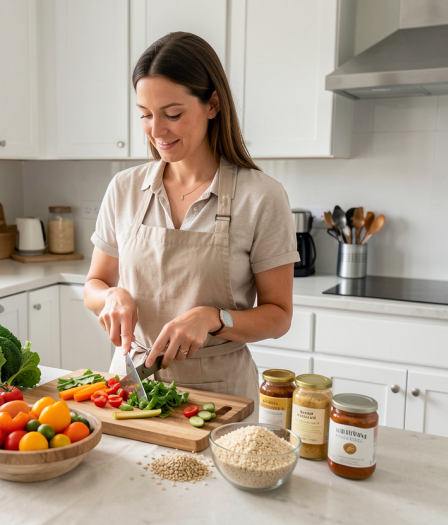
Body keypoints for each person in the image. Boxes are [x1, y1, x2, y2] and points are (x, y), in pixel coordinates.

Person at [84, 32, 299, 420]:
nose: (156, 131)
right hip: (130, 386)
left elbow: (279, 316)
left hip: (219, 396)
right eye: (146, 114)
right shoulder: (125, 188)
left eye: (173, 113)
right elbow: (94, 285)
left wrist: (215, 317)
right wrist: (111, 296)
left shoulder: (262, 196)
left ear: (213, 104)